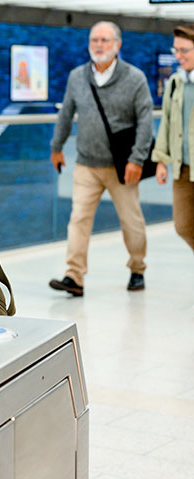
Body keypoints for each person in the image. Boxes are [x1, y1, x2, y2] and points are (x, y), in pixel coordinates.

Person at [49, 21, 153, 296]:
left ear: (118, 45)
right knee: (78, 218)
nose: (99, 45)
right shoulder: (77, 76)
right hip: (86, 164)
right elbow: (65, 115)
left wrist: (137, 159)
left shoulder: (135, 78)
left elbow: (145, 122)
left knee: (132, 221)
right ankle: (74, 276)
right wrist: (56, 146)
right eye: (94, 40)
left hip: (122, 167)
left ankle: (137, 268)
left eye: (105, 40)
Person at [152, 24, 194, 252]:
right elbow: (166, 122)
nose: (178, 56)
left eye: (184, 50)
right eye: (176, 50)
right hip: (183, 168)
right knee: (183, 225)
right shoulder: (176, 83)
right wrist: (161, 160)